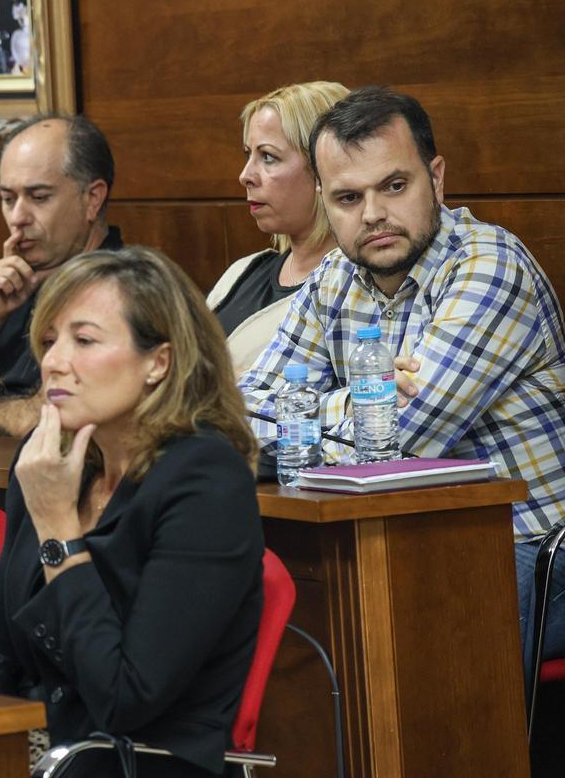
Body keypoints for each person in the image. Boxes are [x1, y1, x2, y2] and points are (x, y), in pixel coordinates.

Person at [238, 86, 565, 687]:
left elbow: (408, 437)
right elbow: (238, 413)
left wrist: (309, 415)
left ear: (435, 179)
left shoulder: (489, 264)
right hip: (397, 537)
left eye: (394, 186)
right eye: (347, 197)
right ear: (324, 202)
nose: (372, 215)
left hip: (533, 546)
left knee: (393, 642)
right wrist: (363, 398)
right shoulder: (336, 276)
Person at [0, 247, 264, 777]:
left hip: (136, 764)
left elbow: (127, 698)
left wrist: (58, 531)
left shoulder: (205, 481)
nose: (53, 361)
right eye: (49, 340)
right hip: (41, 755)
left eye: (84, 340)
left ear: (158, 363)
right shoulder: (56, 460)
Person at [0, 114, 123, 437]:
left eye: (39, 197)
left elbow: (49, 414)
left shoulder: (120, 287)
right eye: (8, 199)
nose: (17, 218)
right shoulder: (19, 279)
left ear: (92, 199)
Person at [207, 81, 349, 376]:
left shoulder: (355, 293)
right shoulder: (243, 270)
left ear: (325, 167)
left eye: (268, 157)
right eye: (248, 154)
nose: (245, 176)